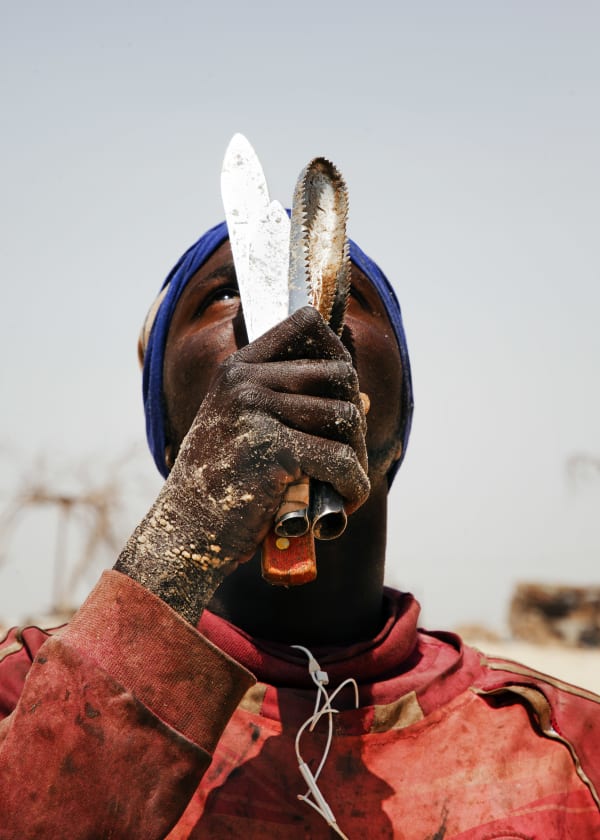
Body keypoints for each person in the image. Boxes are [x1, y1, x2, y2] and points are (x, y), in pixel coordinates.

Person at [1, 220, 599, 840]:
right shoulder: (25, 691)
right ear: (174, 432)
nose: (291, 321)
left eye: (336, 290)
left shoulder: (563, 743)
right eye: (228, 293)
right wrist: (185, 532)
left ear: (396, 426)